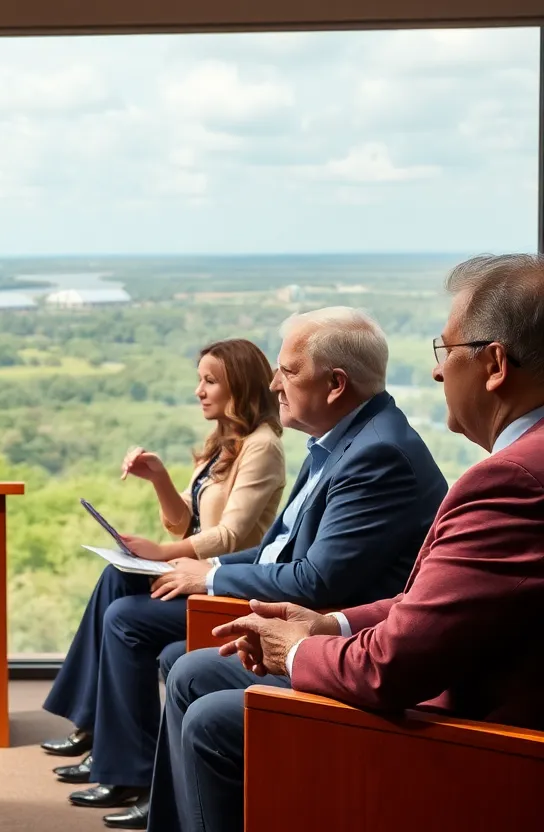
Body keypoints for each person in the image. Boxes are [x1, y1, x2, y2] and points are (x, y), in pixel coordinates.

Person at [146, 254, 544, 832]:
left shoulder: (512, 480)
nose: (438, 373)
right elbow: (454, 602)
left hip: (483, 744)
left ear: (495, 364)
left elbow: (393, 667)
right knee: (195, 674)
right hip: (457, 683)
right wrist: (331, 626)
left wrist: (296, 650)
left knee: (212, 718)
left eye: (446, 351)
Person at [55, 308, 450, 830]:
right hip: (311, 611)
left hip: (338, 628)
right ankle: (124, 762)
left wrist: (207, 574)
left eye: (286, 370)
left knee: (166, 649)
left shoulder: (375, 455)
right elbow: (274, 551)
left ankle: (136, 776)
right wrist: (207, 566)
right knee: (151, 620)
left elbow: (318, 580)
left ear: (335, 385)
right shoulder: (337, 441)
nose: (273, 383)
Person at [43, 338, 287, 783]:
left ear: (241, 386)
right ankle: (96, 728)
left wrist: (162, 554)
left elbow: (230, 535)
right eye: (200, 380)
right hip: (195, 569)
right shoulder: (222, 441)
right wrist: (158, 478)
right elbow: (185, 523)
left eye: (210, 381)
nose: (199, 390)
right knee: (115, 578)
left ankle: (114, 751)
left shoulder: (262, 446)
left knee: (122, 613)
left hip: (226, 583)